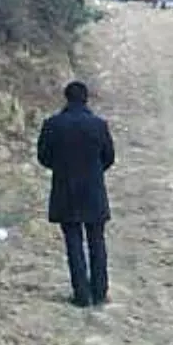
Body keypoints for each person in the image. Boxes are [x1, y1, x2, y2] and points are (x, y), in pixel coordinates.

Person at [36, 82, 116, 308]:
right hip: (93, 189)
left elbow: (43, 156)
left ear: (66, 98)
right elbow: (109, 156)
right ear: (86, 99)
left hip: (65, 187)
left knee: (73, 242)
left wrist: (61, 167)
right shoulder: (99, 125)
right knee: (97, 241)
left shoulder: (53, 124)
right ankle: (100, 291)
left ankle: (81, 293)